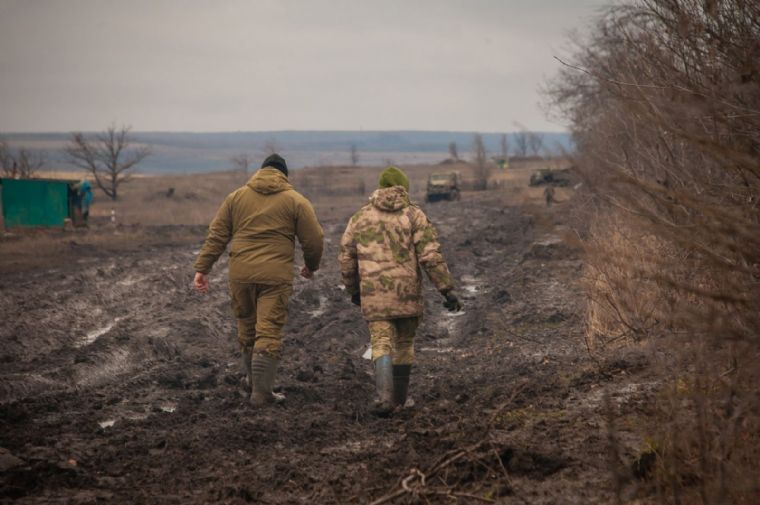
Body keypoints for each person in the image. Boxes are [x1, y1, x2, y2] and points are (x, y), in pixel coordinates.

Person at [193, 154, 324, 406]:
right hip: (275, 276)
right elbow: (314, 238)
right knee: (268, 330)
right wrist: (310, 265)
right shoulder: (296, 201)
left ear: (260, 172)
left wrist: (203, 268)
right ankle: (262, 393)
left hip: (240, 274)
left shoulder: (236, 198)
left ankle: (254, 383)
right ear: (284, 175)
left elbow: (217, 235)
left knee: (247, 327)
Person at [338, 166, 462, 416]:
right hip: (406, 293)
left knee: (381, 342)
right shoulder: (414, 215)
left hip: (374, 295)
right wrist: (446, 290)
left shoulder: (359, 218)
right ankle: (400, 401)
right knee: (404, 344)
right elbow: (430, 256)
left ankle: (384, 398)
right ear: (403, 187)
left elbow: (346, 258)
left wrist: (354, 290)